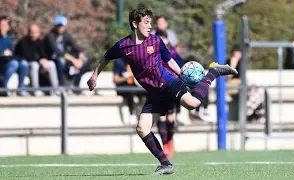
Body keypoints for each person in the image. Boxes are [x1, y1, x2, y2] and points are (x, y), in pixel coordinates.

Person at [87, 8, 237, 175]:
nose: (149, 26)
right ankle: (166, 164)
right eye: (146, 22)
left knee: (193, 103)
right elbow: (106, 57)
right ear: (135, 24)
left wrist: (181, 74)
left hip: (168, 83)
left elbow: (169, 60)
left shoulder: (156, 41)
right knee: (142, 128)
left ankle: (213, 72)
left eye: (150, 22)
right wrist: (94, 76)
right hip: (154, 93)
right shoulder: (123, 45)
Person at [155, 30, 184, 159]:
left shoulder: (172, 54)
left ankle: (170, 142)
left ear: (167, 40)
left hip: (171, 87)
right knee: (161, 116)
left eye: (164, 39)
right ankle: (165, 144)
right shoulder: (152, 54)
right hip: (157, 87)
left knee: (170, 116)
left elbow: (181, 68)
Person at [44, 15, 89, 94]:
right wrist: (74, 60)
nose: (59, 28)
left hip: (66, 59)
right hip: (54, 58)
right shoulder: (50, 36)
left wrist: (80, 57)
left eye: (61, 26)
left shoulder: (66, 35)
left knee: (85, 61)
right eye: (58, 26)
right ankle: (61, 86)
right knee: (60, 60)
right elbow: (57, 51)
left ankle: (76, 85)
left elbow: (75, 47)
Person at [15, 24, 59, 96]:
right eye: (31, 32)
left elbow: (44, 55)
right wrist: (39, 61)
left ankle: (55, 89)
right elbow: (27, 56)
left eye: (35, 32)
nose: (33, 34)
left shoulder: (41, 42)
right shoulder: (23, 42)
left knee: (51, 64)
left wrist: (45, 60)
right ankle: (35, 89)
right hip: (26, 66)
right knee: (34, 65)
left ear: (39, 33)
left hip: (39, 65)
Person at [0, 16, 29, 96]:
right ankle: (3, 87)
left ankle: (21, 88)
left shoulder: (10, 38)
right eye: (1, 25)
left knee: (24, 64)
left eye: (4, 25)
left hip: (8, 60)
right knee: (14, 64)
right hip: (1, 62)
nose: (2, 27)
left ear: (8, 27)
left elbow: (12, 52)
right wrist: (2, 53)